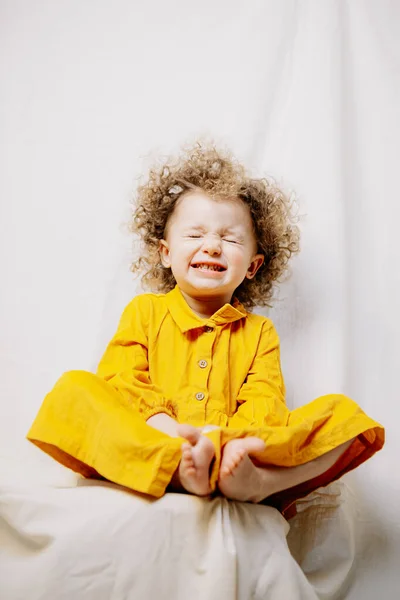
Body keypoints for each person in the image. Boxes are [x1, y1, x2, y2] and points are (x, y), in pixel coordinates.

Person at [27, 144, 384, 517]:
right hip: (156, 441)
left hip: (235, 452)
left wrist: (225, 444)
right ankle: (179, 470)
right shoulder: (145, 311)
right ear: (165, 253)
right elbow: (122, 379)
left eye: (229, 239)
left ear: (252, 264)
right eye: (195, 235)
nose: (212, 246)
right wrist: (171, 433)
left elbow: (265, 402)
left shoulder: (260, 332)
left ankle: (259, 484)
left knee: (345, 417)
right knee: (73, 391)